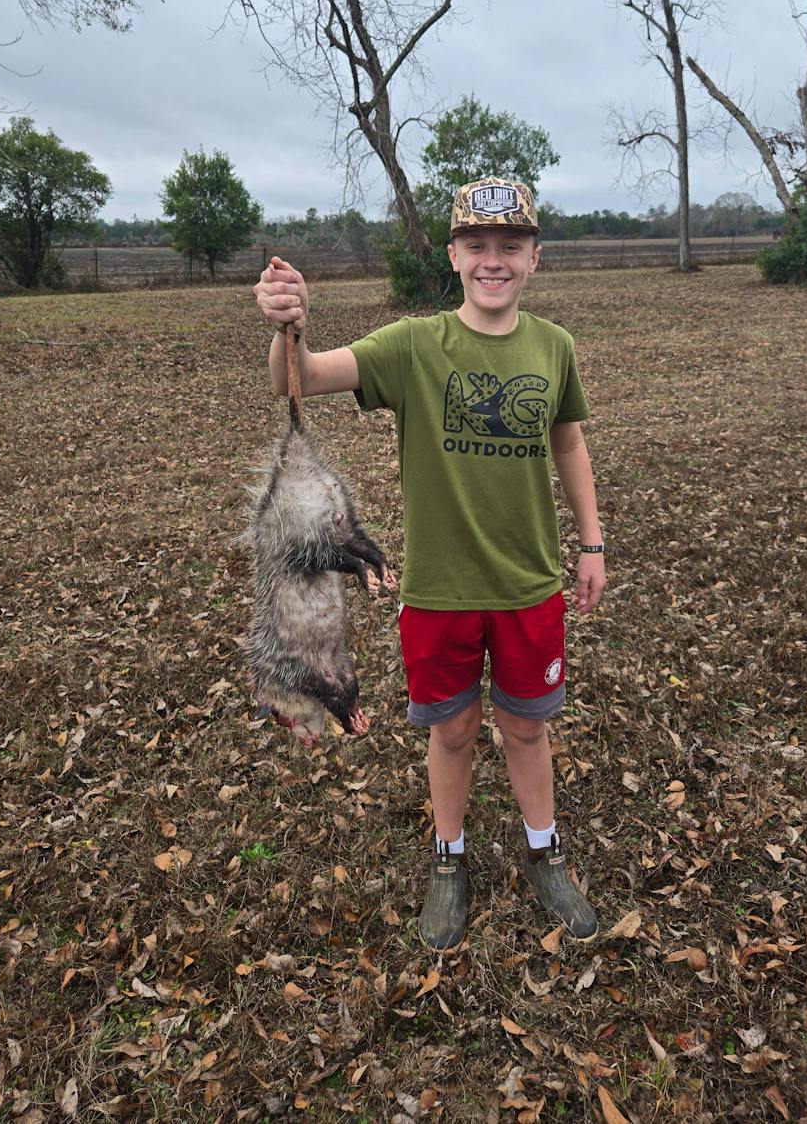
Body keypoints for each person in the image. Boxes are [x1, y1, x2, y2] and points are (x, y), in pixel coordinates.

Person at [253, 176, 606, 950]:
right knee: (450, 733)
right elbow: (300, 380)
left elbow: (569, 443)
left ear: (534, 257)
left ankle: (545, 853)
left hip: (527, 586)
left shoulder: (554, 347)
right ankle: (450, 861)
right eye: (476, 244)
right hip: (440, 590)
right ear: (453, 255)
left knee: (525, 727)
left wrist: (591, 540)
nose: (493, 260)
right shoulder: (413, 345)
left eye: (509, 245)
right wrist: (290, 326)